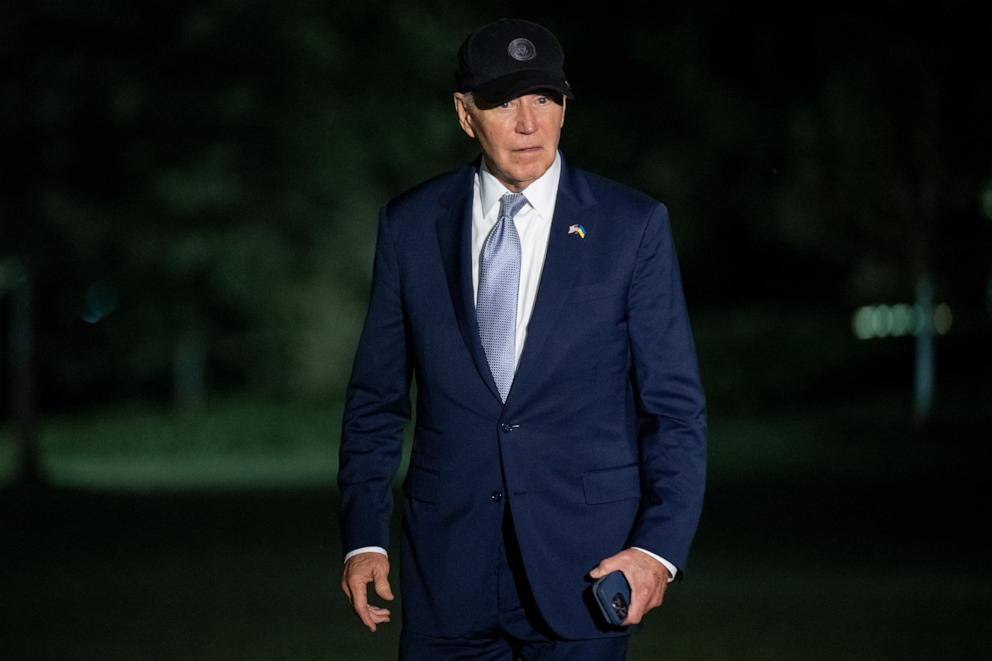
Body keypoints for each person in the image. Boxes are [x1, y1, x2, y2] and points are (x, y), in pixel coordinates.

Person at [338, 17, 706, 661]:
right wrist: (364, 537)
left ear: (566, 106)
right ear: (464, 114)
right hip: (446, 574)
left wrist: (657, 552)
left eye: (544, 98)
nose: (528, 122)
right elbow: (376, 400)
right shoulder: (411, 226)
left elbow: (674, 410)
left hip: (587, 573)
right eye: (503, 102)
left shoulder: (632, 226)